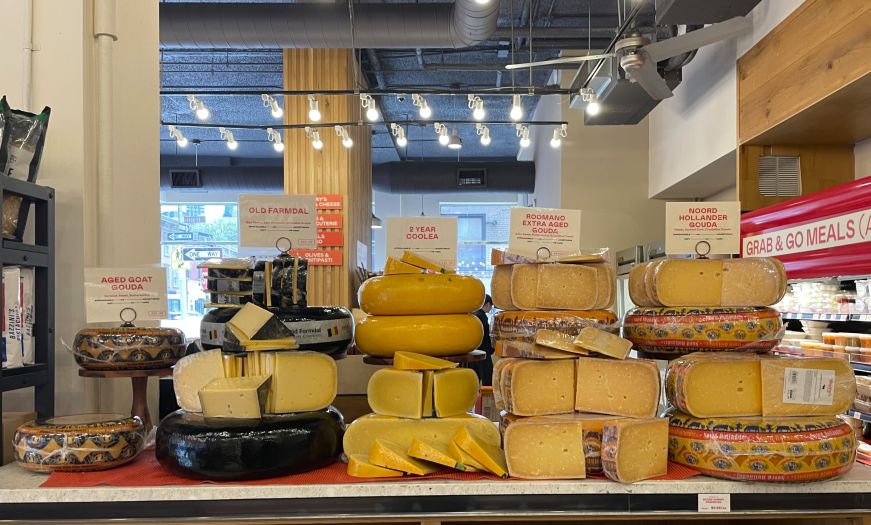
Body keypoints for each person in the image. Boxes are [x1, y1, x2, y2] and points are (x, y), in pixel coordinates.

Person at [471, 294, 493, 385]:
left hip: (473, 353)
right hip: (483, 353)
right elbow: (485, 335)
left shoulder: (473, 315)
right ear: (487, 304)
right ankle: (485, 399)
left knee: (474, 380)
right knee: (487, 380)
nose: (491, 308)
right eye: (491, 305)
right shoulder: (482, 316)